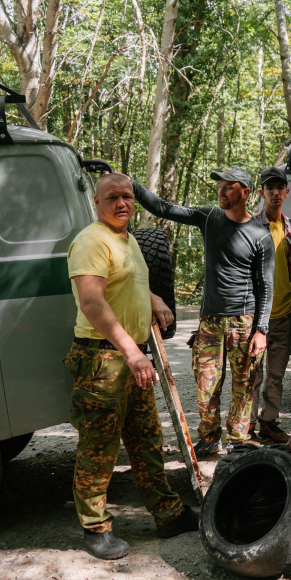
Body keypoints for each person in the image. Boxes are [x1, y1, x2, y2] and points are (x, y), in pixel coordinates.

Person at [65, 173, 197, 560]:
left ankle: (168, 514)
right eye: (112, 198)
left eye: (127, 197)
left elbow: (128, 282)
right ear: (96, 202)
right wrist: (132, 352)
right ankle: (96, 528)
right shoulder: (91, 241)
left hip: (130, 356)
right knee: (99, 447)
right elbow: (92, 302)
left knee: (146, 440)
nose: (122, 203)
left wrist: (153, 297)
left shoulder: (128, 238)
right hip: (102, 359)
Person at [131, 167, 274, 456]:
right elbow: (161, 207)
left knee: (244, 385)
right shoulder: (209, 218)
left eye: (228, 186)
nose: (221, 190)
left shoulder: (261, 236)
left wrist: (261, 329)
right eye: (219, 185)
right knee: (206, 384)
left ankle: (238, 439)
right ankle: (210, 438)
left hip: (244, 323)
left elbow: (266, 287)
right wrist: (130, 184)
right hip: (210, 321)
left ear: (245, 193)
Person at [249, 167, 291, 445]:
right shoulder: (251, 225)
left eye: (280, 188)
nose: (276, 193)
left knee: (276, 375)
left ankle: (268, 422)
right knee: (251, 376)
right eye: (270, 188)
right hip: (256, 315)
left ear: (286, 192)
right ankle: (247, 427)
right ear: (262, 193)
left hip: (283, 312)